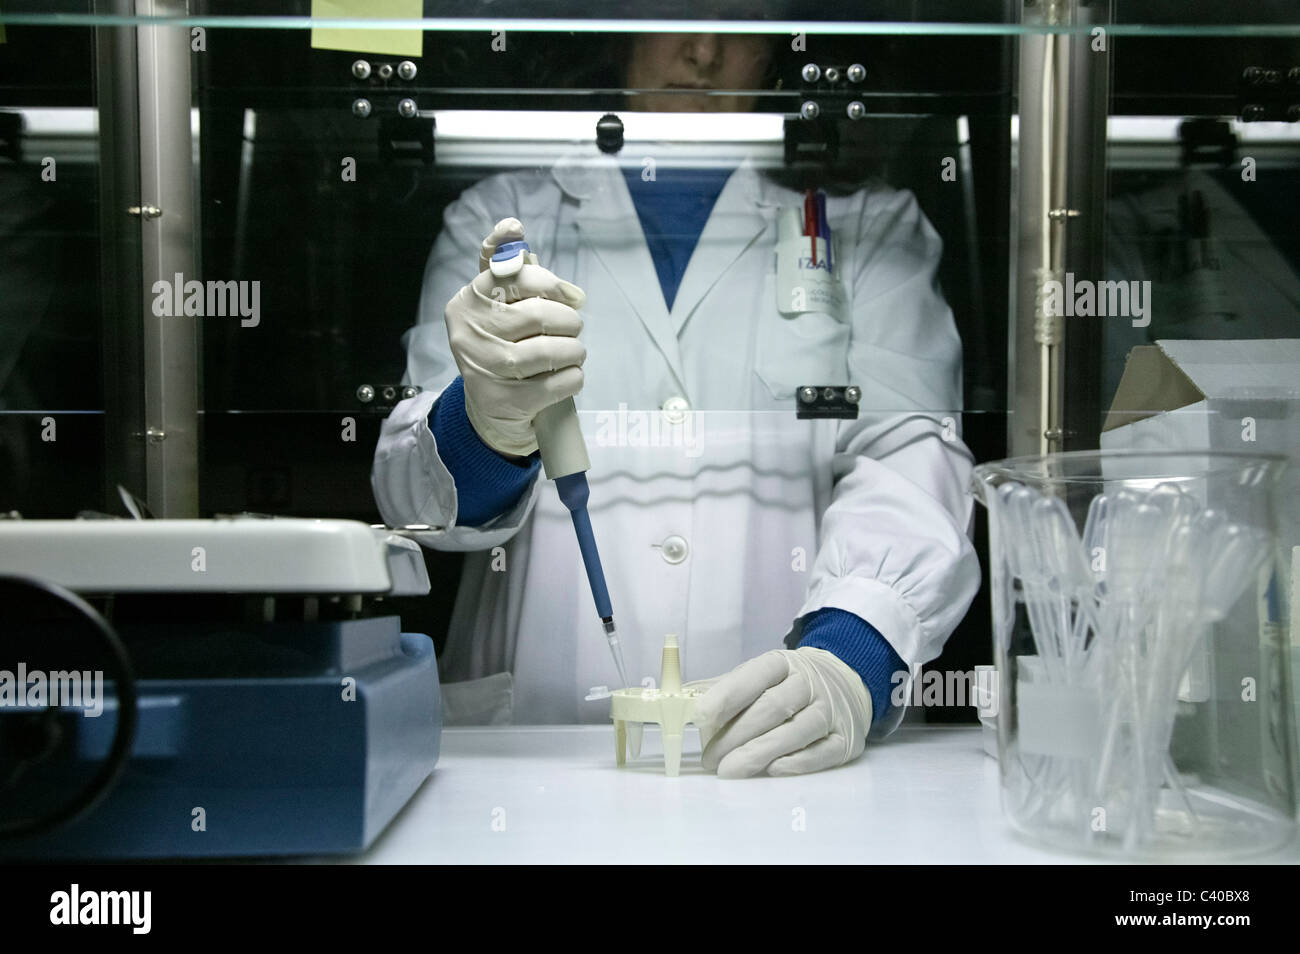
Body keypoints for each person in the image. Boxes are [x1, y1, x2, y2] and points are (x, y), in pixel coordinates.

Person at [372, 33, 980, 777]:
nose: (703, 51)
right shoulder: (503, 220)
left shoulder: (864, 225)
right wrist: (484, 428)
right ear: (622, 29)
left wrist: (851, 651)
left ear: (779, 42)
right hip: (534, 749)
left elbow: (911, 453)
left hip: (788, 747)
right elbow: (417, 503)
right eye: (678, 13)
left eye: (741, 19)